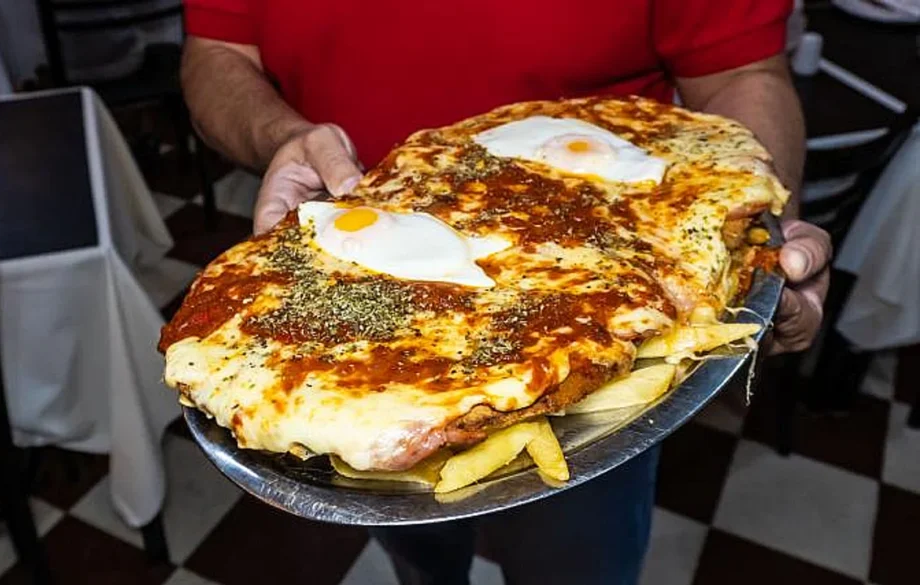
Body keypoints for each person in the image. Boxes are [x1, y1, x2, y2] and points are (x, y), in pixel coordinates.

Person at [180, 1, 832, 583]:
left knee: (579, 562)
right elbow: (215, 51)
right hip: (333, 288)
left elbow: (743, 73)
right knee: (418, 553)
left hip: (616, 258)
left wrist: (764, 227)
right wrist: (280, 135)